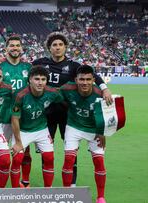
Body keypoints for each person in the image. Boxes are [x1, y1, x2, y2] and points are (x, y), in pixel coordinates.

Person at [32, 32, 112, 186]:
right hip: (45, 113)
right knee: (46, 150)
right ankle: (47, 183)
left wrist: (104, 88)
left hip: (66, 113)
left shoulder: (74, 65)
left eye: (60, 45)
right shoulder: (39, 63)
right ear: (49, 48)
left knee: (71, 152)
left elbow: (93, 75)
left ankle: (72, 184)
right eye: (54, 45)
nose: (57, 47)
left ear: (65, 47)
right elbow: (28, 76)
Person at [60, 65, 107, 203]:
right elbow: (55, 95)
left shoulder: (100, 94)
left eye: (88, 79)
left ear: (93, 79)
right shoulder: (67, 88)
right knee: (69, 159)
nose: (85, 82)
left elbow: (108, 117)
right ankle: (66, 194)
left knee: (99, 161)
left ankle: (100, 197)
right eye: (81, 79)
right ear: (76, 79)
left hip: (94, 130)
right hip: (73, 127)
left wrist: (102, 132)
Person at [10, 66, 63, 188]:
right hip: (23, 130)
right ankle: (15, 191)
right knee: (17, 159)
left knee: (49, 158)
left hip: (41, 129)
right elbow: (14, 118)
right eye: (37, 79)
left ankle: (47, 190)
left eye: (43, 79)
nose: (40, 82)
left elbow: (63, 99)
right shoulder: (20, 95)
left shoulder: (53, 93)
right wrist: (18, 142)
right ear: (30, 80)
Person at [0, 35, 32, 188]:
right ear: (6, 49)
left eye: (18, 45)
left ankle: (24, 180)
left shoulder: (27, 67)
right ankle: (1, 184)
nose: (15, 48)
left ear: (21, 48)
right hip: (3, 114)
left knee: (25, 149)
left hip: (22, 115)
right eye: (12, 45)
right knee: (1, 153)